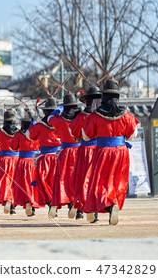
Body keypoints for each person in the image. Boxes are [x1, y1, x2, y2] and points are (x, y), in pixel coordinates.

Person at [82, 78, 139, 225]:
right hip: (121, 152)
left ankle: (108, 205)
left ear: (103, 96)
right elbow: (132, 136)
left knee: (100, 182)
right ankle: (114, 203)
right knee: (117, 182)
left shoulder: (95, 115)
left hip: (102, 152)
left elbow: (86, 136)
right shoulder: (126, 115)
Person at [69, 86, 102, 222]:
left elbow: (73, 133)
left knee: (83, 180)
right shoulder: (103, 115)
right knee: (98, 180)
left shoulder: (82, 116)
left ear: (87, 101)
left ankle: (82, 209)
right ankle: (95, 211)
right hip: (100, 150)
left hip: (85, 151)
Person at [47, 93, 81, 219]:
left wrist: (59, 107)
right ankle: (79, 209)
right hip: (79, 153)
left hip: (65, 153)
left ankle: (56, 206)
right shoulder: (80, 119)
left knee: (61, 180)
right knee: (78, 180)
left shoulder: (58, 120)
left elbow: (49, 118)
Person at [26, 97, 61, 217]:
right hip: (59, 157)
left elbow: (29, 136)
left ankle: (51, 203)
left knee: (43, 182)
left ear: (45, 112)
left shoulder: (40, 126)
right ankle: (75, 209)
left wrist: (34, 121)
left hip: (45, 158)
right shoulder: (61, 123)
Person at [10, 116, 40, 216]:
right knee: (33, 183)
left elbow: (13, 147)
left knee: (21, 184)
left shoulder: (19, 134)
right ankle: (32, 204)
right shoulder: (37, 134)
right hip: (35, 162)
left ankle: (23, 203)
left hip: (22, 162)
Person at [0, 108, 19, 214]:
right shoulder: (18, 133)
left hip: (3, 159)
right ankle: (12, 206)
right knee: (14, 183)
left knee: (1, 182)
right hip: (16, 159)